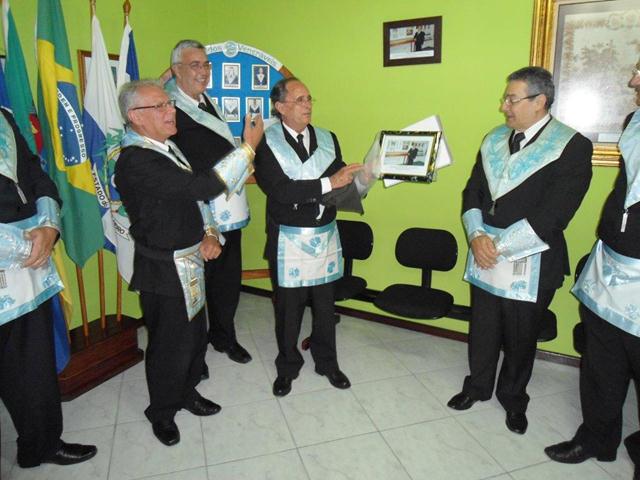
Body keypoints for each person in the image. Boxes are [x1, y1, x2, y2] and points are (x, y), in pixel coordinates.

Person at [447, 66, 592, 434]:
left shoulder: (571, 146)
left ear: (539, 101)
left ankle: (512, 398)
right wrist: (476, 235)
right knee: (483, 326)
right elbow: (473, 191)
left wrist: (496, 246)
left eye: (511, 99)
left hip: (532, 257)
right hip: (484, 249)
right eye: (505, 99)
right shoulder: (494, 139)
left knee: (520, 335)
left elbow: (555, 214)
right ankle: (477, 386)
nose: (504, 106)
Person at [114, 79, 257, 446]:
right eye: (160, 106)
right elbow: (202, 187)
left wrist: (209, 232)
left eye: (169, 104)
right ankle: (161, 411)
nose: (170, 111)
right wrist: (248, 148)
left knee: (194, 337)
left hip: (191, 258)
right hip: (163, 266)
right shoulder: (136, 159)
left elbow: (193, 200)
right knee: (169, 343)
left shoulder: (167, 147)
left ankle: (187, 392)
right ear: (135, 117)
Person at [544, 63, 640, 476]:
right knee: (601, 362)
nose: (633, 80)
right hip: (612, 264)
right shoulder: (634, 120)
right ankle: (596, 438)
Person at [0, 108, 97, 468]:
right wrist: (25, 245)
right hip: (19, 250)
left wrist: (50, 226)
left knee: (32, 361)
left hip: (28, 265)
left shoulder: (4, 117)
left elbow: (34, 173)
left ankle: (40, 445)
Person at [254, 78, 361, 397]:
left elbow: (340, 181)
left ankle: (327, 362)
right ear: (280, 107)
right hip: (289, 236)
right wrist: (329, 183)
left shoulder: (328, 138)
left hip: (324, 234)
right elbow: (280, 191)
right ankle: (287, 366)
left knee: (325, 305)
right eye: (299, 99)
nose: (308, 105)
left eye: (309, 98)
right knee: (289, 308)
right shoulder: (264, 142)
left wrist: (363, 178)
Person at [167, 40, 263, 373]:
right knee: (195, 285)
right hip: (197, 208)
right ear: (176, 70)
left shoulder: (206, 102)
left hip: (228, 205)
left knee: (226, 279)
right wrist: (247, 149)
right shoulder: (170, 110)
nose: (204, 71)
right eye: (195, 65)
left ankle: (223, 336)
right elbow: (185, 165)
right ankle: (193, 355)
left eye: (206, 65)